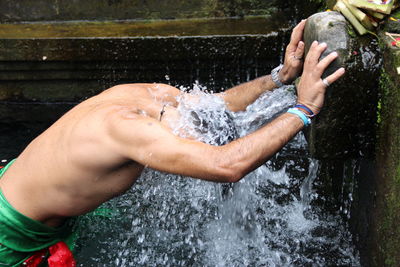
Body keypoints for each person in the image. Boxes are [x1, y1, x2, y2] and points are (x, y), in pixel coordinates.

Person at [0, 20, 345, 266]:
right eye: (194, 141)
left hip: (27, 196)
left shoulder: (156, 97)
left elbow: (218, 106)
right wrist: (304, 108)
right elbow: (226, 165)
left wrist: (280, 77)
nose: (197, 147)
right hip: (9, 236)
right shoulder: (134, 130)